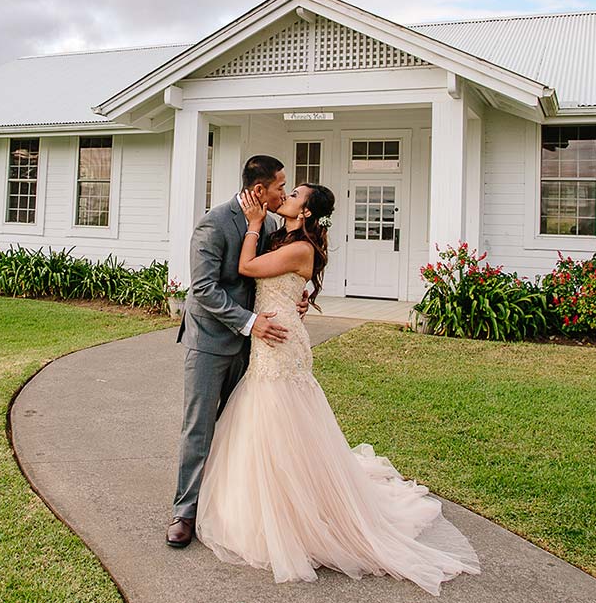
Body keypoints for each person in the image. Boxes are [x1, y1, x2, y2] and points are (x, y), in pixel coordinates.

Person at [193, 183, 482, 595]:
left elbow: (248, 269)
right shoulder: (284, 235)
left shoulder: (300, 247)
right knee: (265, 418)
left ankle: (296, 513)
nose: (287, 197)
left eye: (294, 195)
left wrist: (254, 224)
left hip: (279, 342)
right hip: (268, 333)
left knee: (278, 414)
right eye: (286, 191)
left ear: (307, 212)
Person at [166, 155, 309, 548]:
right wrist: (250, 322)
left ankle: (225, 505)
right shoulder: (214, 223)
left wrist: (297, 299)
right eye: (281, 185)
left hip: (255, 347)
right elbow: (205, 290)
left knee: (238, 429)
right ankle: (185, 511)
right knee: (200, 427)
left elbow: (280, 272)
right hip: (211, 342)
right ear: (259, 189)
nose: (285, 191)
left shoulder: (273, 226)